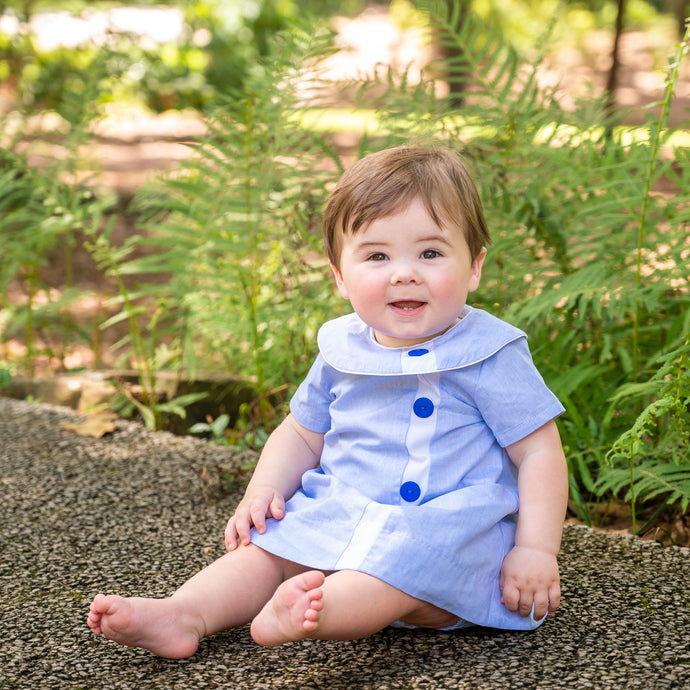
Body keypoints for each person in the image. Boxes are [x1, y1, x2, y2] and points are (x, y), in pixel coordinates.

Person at [87, 145, 568, 659]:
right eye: (377, 256)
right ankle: (184, 613)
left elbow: (538, 453)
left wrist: (535, 549)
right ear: (340, 276)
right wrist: (265, 490)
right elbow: (300, 431)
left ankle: (312, 615)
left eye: (430, 253)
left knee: (396, 567)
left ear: (473, 268)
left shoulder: (489, 352)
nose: (404, 273)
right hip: (342, 512)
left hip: (445, 536)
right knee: (268, 551)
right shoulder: (343, 349)